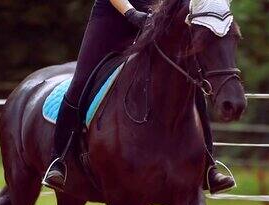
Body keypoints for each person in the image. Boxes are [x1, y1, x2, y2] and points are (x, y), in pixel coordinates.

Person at [43, 0, 236, 194]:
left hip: (154, 18)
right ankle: (59, 160)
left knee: (189, 80)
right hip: (111, 18)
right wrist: (131, 13)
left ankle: (209, 166)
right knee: (81, 82)